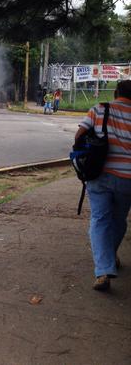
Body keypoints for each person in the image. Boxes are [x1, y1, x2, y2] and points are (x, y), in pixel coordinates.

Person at [74, 80, 131, 291]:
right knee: (118, 219)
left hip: (100, 175)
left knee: (99, 220)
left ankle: (103, 270)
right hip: (128, 180)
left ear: (115, 93)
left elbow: (79, 135)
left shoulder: (99, 109)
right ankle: (110, 256)